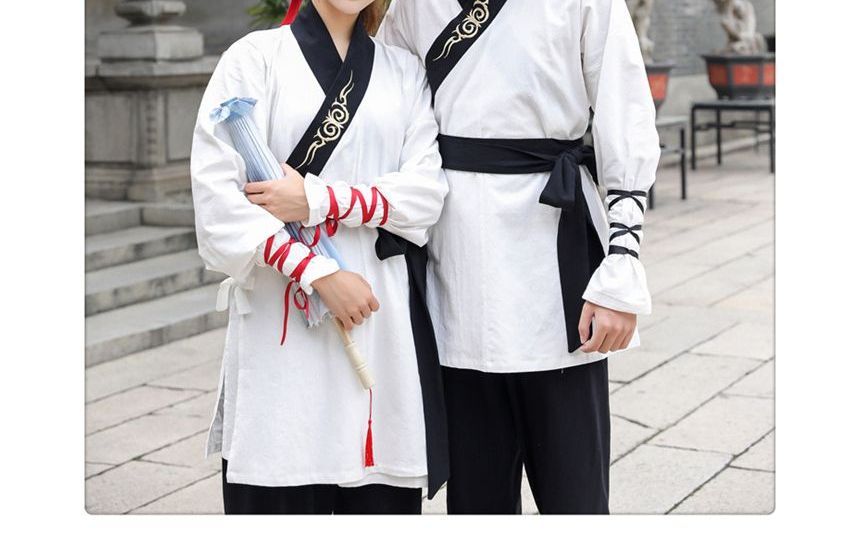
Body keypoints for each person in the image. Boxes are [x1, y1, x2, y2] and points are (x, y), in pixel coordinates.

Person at [378, 0, 660, 514]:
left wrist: (622, 259)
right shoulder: (414, 5)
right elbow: (389, 114)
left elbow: (627, 116)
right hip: (454, 261)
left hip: (555, 259)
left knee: (575, 498)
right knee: (476, 500)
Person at [191, 0, 449, 515]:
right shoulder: (254, 59)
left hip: (377, 318)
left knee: (378, 492)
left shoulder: (403, 71)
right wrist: (318, 272)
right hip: (281, 323)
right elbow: (218, 202)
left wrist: (316, 198)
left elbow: (425, 196)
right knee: (281, 481)